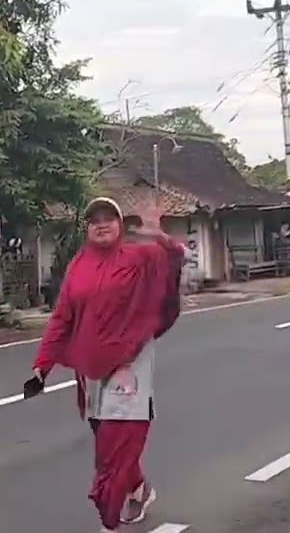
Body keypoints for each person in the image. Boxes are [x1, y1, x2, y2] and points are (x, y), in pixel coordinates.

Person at [31, 197, 184, 533]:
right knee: (108, 439)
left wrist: (159, 235)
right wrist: (43, 364)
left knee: (114, 447)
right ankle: (140, 490)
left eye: (108, 218)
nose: (101, 224)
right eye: (94, 220)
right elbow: (62, 318)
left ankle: (109, 521)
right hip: (92, 368)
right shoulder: (78, 266)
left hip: (131, 361)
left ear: (119, 224)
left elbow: (173, 261)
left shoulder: (139, 256)